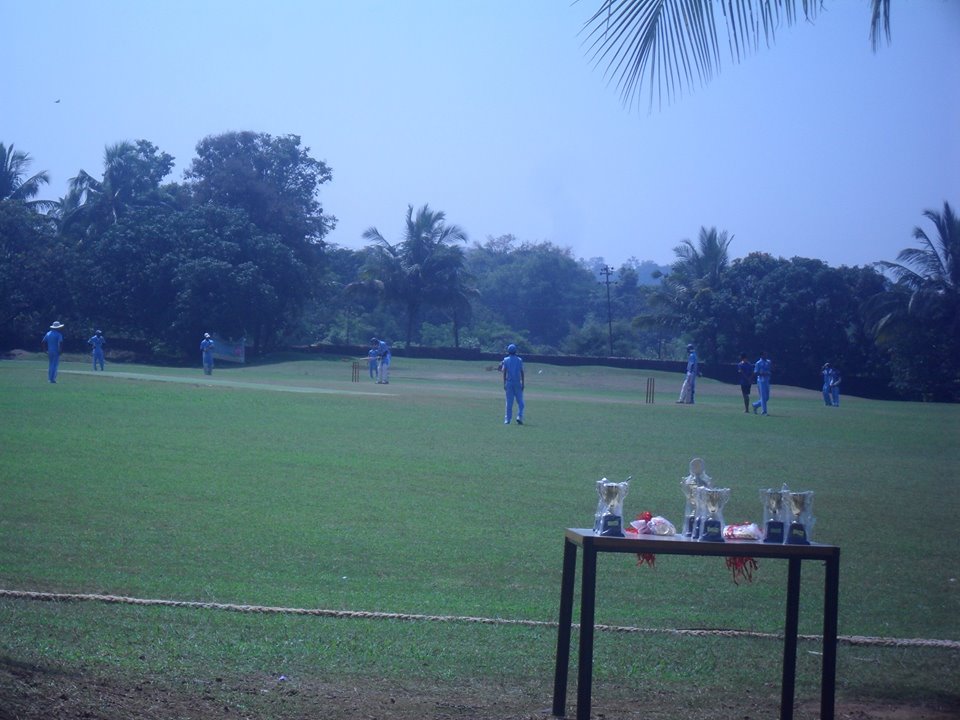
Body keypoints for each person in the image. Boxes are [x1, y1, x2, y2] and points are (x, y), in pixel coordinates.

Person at [500, 343, 525, 425]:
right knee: (521, 402)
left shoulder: (505, 360)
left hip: (509, 383)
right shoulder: (519, 360)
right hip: (517, 383)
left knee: (509, 402)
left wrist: (504, 383)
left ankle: (507, 420)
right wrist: (523, 383)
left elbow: (504, 372)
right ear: (515, 351)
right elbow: (522, 372)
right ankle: (519, 417)